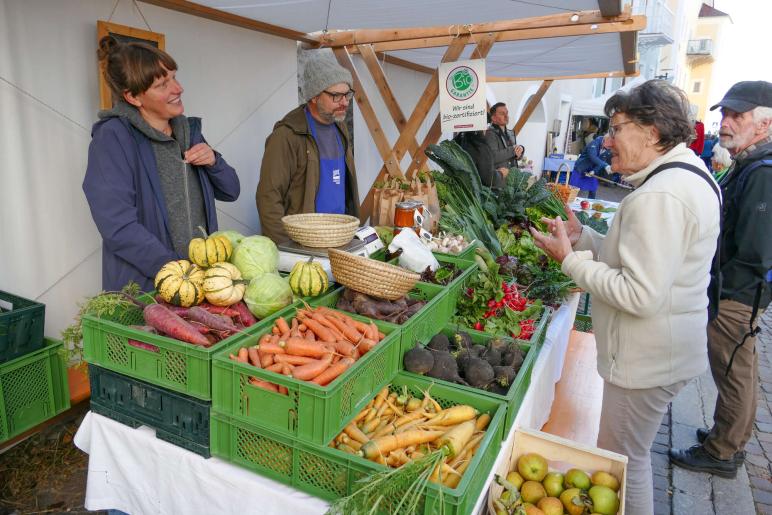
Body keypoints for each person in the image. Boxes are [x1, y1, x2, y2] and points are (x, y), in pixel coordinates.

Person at [529, 80, 720, 515]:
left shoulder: (661, 195)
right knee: (629, 455)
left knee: (620, 463)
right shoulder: (682, 174)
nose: (606, 141)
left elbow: (639, 293)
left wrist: (569, 260)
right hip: (663, 350)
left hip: (646, 358)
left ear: (651, 133)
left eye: (616, 128)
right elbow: (646, 262)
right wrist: (587, 239)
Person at [670, 80, 772, 479]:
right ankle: (729, 434)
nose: (726, 122)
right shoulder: (749, 163)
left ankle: (723, 451)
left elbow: (754, 248)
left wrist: (719, 285)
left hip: (737, 294)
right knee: (734, 368)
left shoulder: (763, 172)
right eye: (725, 114)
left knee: (733, 371)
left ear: (763, 125)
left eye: (737, 116)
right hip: (735, 292)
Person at [83, 36, 240, 292]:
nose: (178, 89)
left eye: (174, 77)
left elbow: (231, 190)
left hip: (200, 281)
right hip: (149, 286)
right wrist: (176, 273)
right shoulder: (113, 138)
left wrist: (214, 161)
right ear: (133, 97)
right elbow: (118, 227)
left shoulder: (188, 131)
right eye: (162, 84)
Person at [256, 50, 359, 242]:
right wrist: (286, 247)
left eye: (347, 94)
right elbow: (268, 197)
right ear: (314, 96)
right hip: (303, 243)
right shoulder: (287, 136)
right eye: (336, 96)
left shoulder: (341, 129)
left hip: (339, 237)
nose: (344, 102)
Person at [484, 102, 525, 172]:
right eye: (502, 114)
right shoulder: (490, 133)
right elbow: (493, 156)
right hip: (500, 178)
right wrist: (513, 150)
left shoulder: (510, 133)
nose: (506, 116)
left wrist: (520, 150)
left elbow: (513, 155)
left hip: (512, 176)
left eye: (507, 113)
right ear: (493, 118)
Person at [570, 133, 612, 199]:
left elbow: (601, 162)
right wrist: (606, 165)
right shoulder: (594, 143)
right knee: (573, 189)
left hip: (592, 170)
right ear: (605, 140)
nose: (611, 146)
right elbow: (593, 157)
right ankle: (570, 202)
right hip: (580, 168)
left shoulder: (608, 149)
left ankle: (591, 203)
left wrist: (594, 171)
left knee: (593, 189)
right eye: (610, 144)